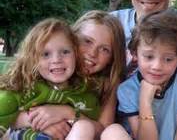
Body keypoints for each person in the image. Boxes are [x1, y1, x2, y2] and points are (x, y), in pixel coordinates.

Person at [5, 10, 127, 139]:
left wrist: (68, 113)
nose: (92, 53)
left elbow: (103, 129)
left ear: (112, 58)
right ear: (71, 39)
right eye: (87, 41)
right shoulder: (46, 69)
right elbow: (7, 111)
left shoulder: (107, 84)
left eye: (104, 49)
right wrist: (40, 122)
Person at [101, 11, 177, 140]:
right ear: (135, 54)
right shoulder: (127, 90)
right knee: (112, 131)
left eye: (168, 59)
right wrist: (145, 102)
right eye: (149, 56)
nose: (157, 66)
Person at [0, 18, 98, 140]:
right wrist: (34, 121)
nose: (57, 59)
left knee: (85, 126)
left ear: (76, 55)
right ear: (33, 58)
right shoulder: (23, 86)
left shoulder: (84, 94)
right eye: (46, 54)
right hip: (27, 136)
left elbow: (98, 129)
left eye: (65, 52)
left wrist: (69, 113)